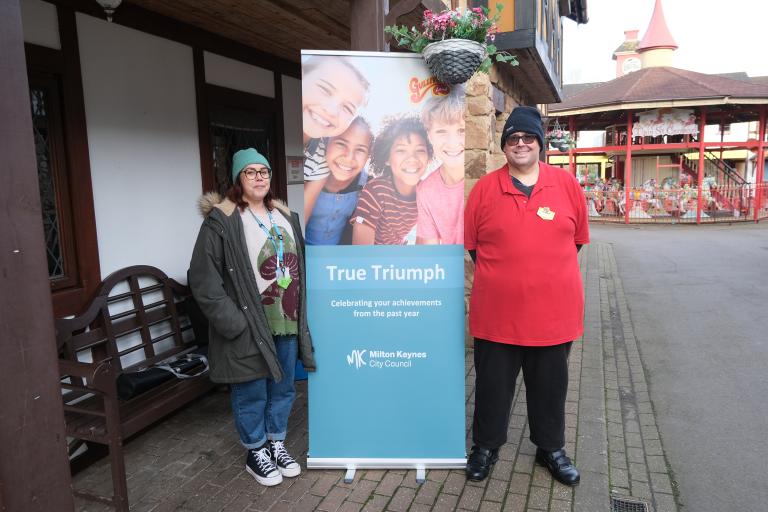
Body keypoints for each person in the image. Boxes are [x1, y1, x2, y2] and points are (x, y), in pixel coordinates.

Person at [464, 106, 589, 485]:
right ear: (505, 147)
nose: (520, 144)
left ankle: (550, 448)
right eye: (513, 139)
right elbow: (473, 247)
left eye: (527, 138)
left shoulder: (566, 185)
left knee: (550, 388)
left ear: (540, 143)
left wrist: (541, 272)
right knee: (491, 388)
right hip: (497, 315)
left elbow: (578, 239)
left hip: (554, 315)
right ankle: (485, 446)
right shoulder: (485, 189)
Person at [188, 148, 315, 487]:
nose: (259, 177)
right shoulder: (223, 219)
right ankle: (255, 450)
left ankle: (276, 442)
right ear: (238, 179)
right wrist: (234, 323)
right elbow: (203, 279)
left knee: (283, 387)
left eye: (264, 171)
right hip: (247, 324)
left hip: (285, 317)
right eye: (251, 172)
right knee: (251, 390)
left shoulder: (285, 216)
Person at [302, 56, 370, 220]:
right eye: (325, 89)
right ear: (302, 75)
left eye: (347, 107)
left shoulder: (320, 161)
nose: (331, 111)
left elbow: (302, 215)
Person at [351, 115, 432, 245]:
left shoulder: (426, 193)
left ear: (428, 156)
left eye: (420, 150)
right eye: (401, 150)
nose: (412, 158)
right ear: (387, 158)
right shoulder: (376, 191)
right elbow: (362, 254)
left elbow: (425, 247)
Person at [305, 117, 373, 245]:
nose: (349, 157)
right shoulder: (310, 173)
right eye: (341, 144)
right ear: (326, 142)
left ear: (368, 156)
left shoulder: (367, 187)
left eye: (360, 150)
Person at [416, 91, 465, 245]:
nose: (452, 142)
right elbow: (432, 252)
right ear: (429, 136)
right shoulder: (426, 190)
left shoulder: (487, 180)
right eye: (441, 131)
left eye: (462, 130)